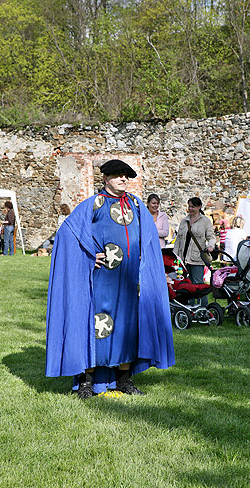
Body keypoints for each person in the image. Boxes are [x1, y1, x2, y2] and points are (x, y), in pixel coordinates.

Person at [46, 159, 175, 399]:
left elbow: (147, 238)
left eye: (126, 175)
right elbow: (68, 233)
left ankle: (123, 380)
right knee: (97, 327)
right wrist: (87, 256)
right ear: (105, 178)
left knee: (127, 328)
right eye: (118, 175)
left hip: (129, 282)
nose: (123, 179)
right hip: (102, 280)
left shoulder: (136, 206)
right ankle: (87, 381)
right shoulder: (93, 204)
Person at [173, 197, 215, 306]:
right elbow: (178, 239)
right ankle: (191, 308)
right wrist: (175, 256)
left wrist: (210, 246)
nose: (190, 209)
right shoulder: (184, 221)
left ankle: (203, 308)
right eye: (189, 206)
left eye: (193, 206)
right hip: (184, 258)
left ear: (199, 207)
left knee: (198, 284)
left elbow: (211, 237)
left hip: (197, 258)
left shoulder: (205, 221)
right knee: (187, 285)